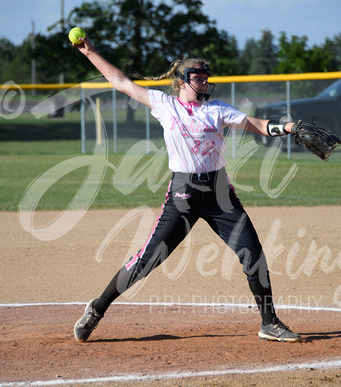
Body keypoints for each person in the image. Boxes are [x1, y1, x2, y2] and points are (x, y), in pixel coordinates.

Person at [71, 30, 302, 343]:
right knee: (146, 261)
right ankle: (97, 309)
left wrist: (290, 127)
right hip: (182, 196)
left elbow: (259, 126)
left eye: (207, 79)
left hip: (220, 195)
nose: (205, 84)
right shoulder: (165, 105)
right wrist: (90, 52)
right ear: (182, 80)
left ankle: (269, 322)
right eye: (199, 78)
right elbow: (121, 82)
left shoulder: (218, 110)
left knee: (253, 253)